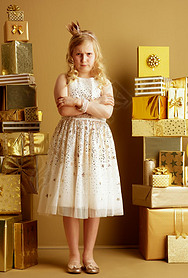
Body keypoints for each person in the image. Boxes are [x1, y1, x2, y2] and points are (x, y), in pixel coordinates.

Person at [37, 21, 123, 274]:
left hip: (97, 143)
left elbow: (106, 113)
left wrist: (78, 102)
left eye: (89, 54)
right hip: (71, 140)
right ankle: (73, 255)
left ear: (96, 56)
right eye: (79, 54)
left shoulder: (103, 81)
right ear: (71, 56)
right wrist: (89, 104)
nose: (84, 58)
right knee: (71, 197)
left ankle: (89, 255)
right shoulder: (64, 78)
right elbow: (63, 109)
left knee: (94, 198)